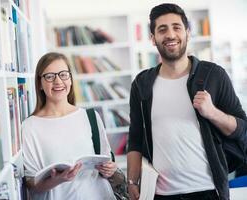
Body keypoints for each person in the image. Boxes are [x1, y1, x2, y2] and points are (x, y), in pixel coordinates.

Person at [127, 3, 247, 200]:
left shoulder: (214, 75)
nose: (170, 35)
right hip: (161, 194)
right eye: (162, 29)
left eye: (177, 27)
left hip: (209, 191)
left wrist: (213, 113)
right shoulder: (142, 83)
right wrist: (132, 181)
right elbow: (136, 138)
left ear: (188, 33)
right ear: (153, 38)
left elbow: (242, 129)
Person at [22, 52, 117, 200]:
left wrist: (110, 169)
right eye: (50, 76)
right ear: (40, 84)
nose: (58, 81)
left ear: (71, 80)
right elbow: (30, 182)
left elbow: (107, 162)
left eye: (63, 74)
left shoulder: (91, 117)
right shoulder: (29, 126)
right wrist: (58, 179)